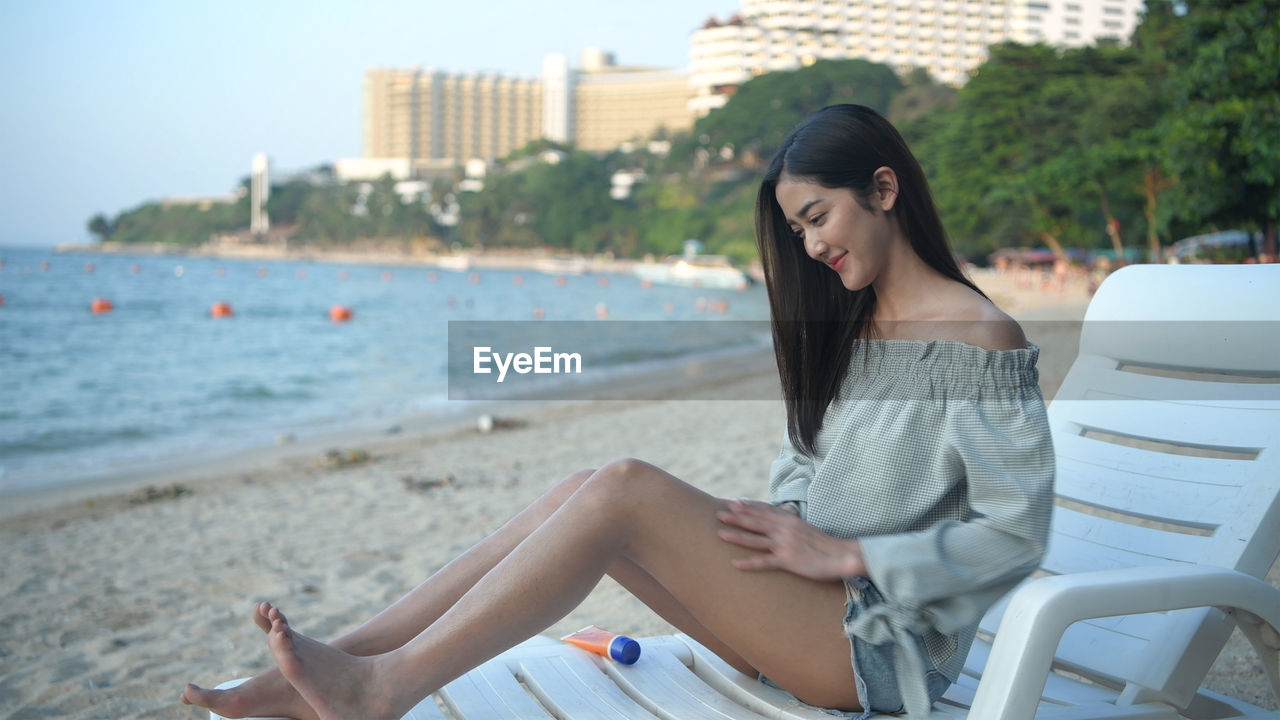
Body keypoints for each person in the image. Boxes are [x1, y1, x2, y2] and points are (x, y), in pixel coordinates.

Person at [182, 104, 1054, 720]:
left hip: (876, 652)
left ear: (885, 189)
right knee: (581, 487)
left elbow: (1014, 534)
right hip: (801, 615)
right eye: (795, 231)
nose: (812, 246)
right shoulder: (857, 328)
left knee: (624, 489)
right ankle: (347, 659)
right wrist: (781, 532)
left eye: (818, 217)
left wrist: (845, 552)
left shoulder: (979, 335)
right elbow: (808, 472)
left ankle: (379, 691)